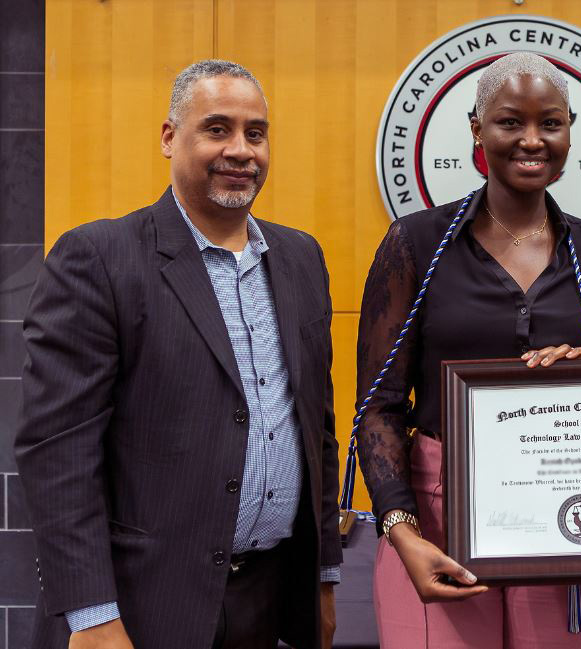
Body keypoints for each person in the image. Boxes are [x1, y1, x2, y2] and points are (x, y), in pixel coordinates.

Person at [15, 60, 341, 649]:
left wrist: (323, 580)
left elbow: (315, 430)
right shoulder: (100, 258)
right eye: (217, 129)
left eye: (255, 133)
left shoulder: (300, 259)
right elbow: (57, 455)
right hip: (141, 608)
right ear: (170, 137)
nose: (240, 150)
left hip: (269, 604)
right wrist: (91, 616)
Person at [355, 52, 581, 648]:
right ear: (476, 129)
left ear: (571, 130)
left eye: (550, 123)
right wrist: (402, 529)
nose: (533, 140)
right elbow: (380, 403)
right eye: (509, 123)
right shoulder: (415, 243)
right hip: (435, 513)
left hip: (570, 506)